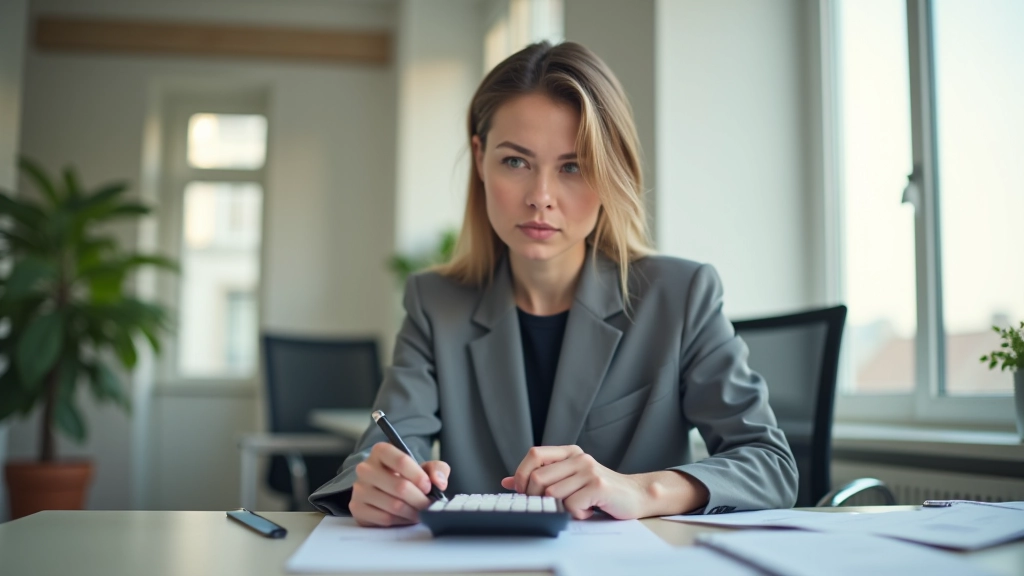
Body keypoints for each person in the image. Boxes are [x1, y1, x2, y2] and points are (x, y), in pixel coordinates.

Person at [309, 41, 797, 526]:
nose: (541, 197)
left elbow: (769, 464)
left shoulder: (680, 295)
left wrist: (642, 489)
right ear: (480, 158)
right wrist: (375, 484)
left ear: (610, 172)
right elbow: (382, 450)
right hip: (481, 559)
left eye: (573, 166)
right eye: (516, 162)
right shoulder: (436, 303)